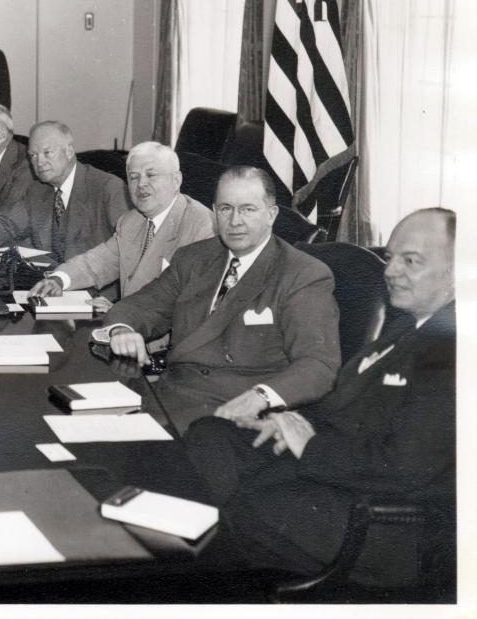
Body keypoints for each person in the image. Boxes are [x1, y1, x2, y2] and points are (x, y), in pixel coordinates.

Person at [184, 208, 455, 580]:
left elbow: (408, 468)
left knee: (226, 514)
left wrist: (309, 445)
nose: (390, 271)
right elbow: (351, 405)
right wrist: (286, 422)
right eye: (391, 258)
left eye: (412, 261)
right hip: (336, 471)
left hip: (381, 523)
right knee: (210, 435)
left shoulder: (453, 349)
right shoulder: (410, 326)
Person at [93, 165, 340, 434]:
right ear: (214, 212)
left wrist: (261, 396)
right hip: (167, 398)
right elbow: (140, 306)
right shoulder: (194, 258)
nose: (235, 221)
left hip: (230, 416)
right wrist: (122, 330)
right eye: (225, 209)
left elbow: (318, 364)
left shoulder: (302, 273)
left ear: (271, 214)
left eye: (248, 209)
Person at [30, 142, 215, 309]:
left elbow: (189, 306)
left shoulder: (202, 227)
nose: (141, 184)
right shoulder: (131, 221)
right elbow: (98, 262)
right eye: (134, 177)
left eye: (151, 175)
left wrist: (120, 313)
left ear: (176, 180)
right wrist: (59, 280)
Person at [0, 121, 130, 262]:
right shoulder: (38, 189)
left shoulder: (108, 188)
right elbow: (9, 222)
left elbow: (127, 248)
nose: (39, 162)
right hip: (49, 282)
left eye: (47, 153)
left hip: (94, 289)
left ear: (69, 152)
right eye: (33, 155)